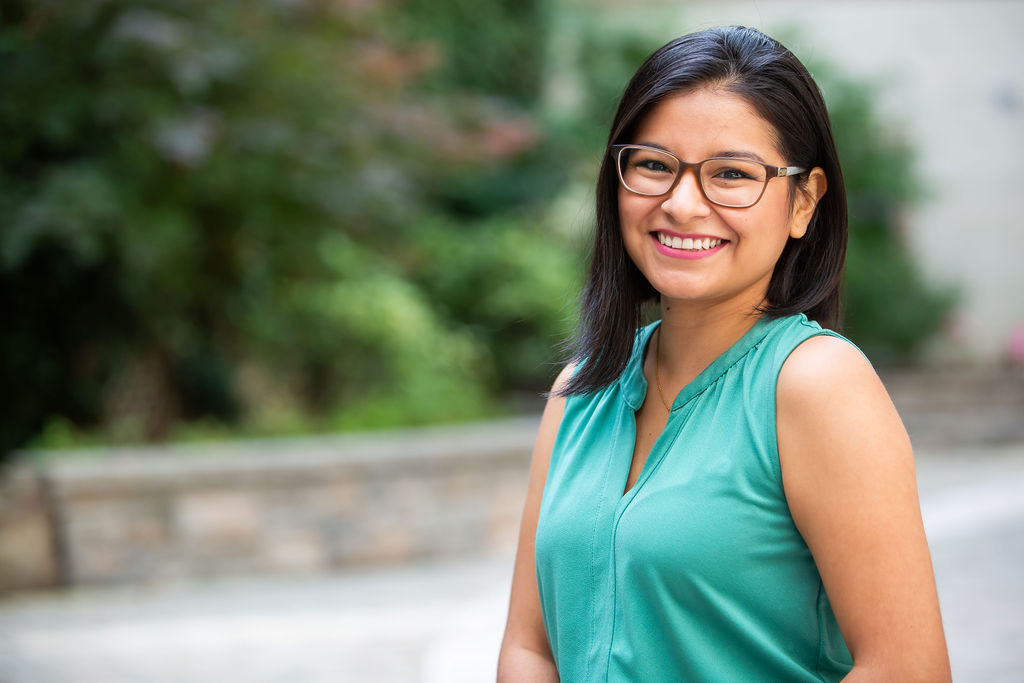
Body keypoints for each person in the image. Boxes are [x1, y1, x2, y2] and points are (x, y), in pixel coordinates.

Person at [497, 25, 950, 682]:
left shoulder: (817, 385)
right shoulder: (579, 394)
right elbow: (529, 645)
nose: (681, 204)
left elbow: (908, 669)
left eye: (732, 174)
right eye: (653, 164)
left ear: (804, 201)